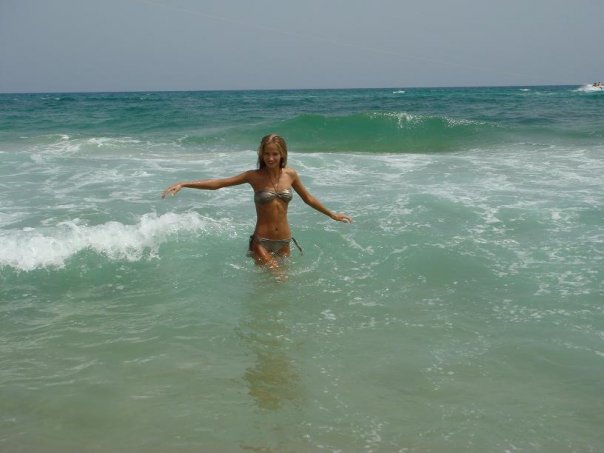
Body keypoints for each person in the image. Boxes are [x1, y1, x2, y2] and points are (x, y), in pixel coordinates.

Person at [161, 134, 352, 271]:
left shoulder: (291, 175)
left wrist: (332, 215)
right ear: (261, 155)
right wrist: (184, 183)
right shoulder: (253, 176)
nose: (270, 158)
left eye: (275, 154)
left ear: (282, 154)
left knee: (275, 289)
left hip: (284, 241)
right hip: (261, 242)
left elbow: (308, 199)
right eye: (267, 154)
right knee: (279, 277)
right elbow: (219, 183)